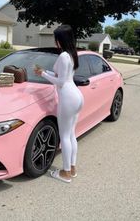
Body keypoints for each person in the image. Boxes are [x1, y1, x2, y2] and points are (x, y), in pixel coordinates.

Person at [34, 24, 84, 183]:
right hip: (77, 96)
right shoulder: (72, 55)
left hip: (68, 97)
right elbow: (63, 76)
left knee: (65, 136)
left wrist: (42, 73)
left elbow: (61, 82)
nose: (55, 41)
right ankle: (73, 168)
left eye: (56, 38)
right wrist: (43, 72)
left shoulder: (63, 56)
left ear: (60, 40)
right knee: (71, 134)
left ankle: (66, 173)